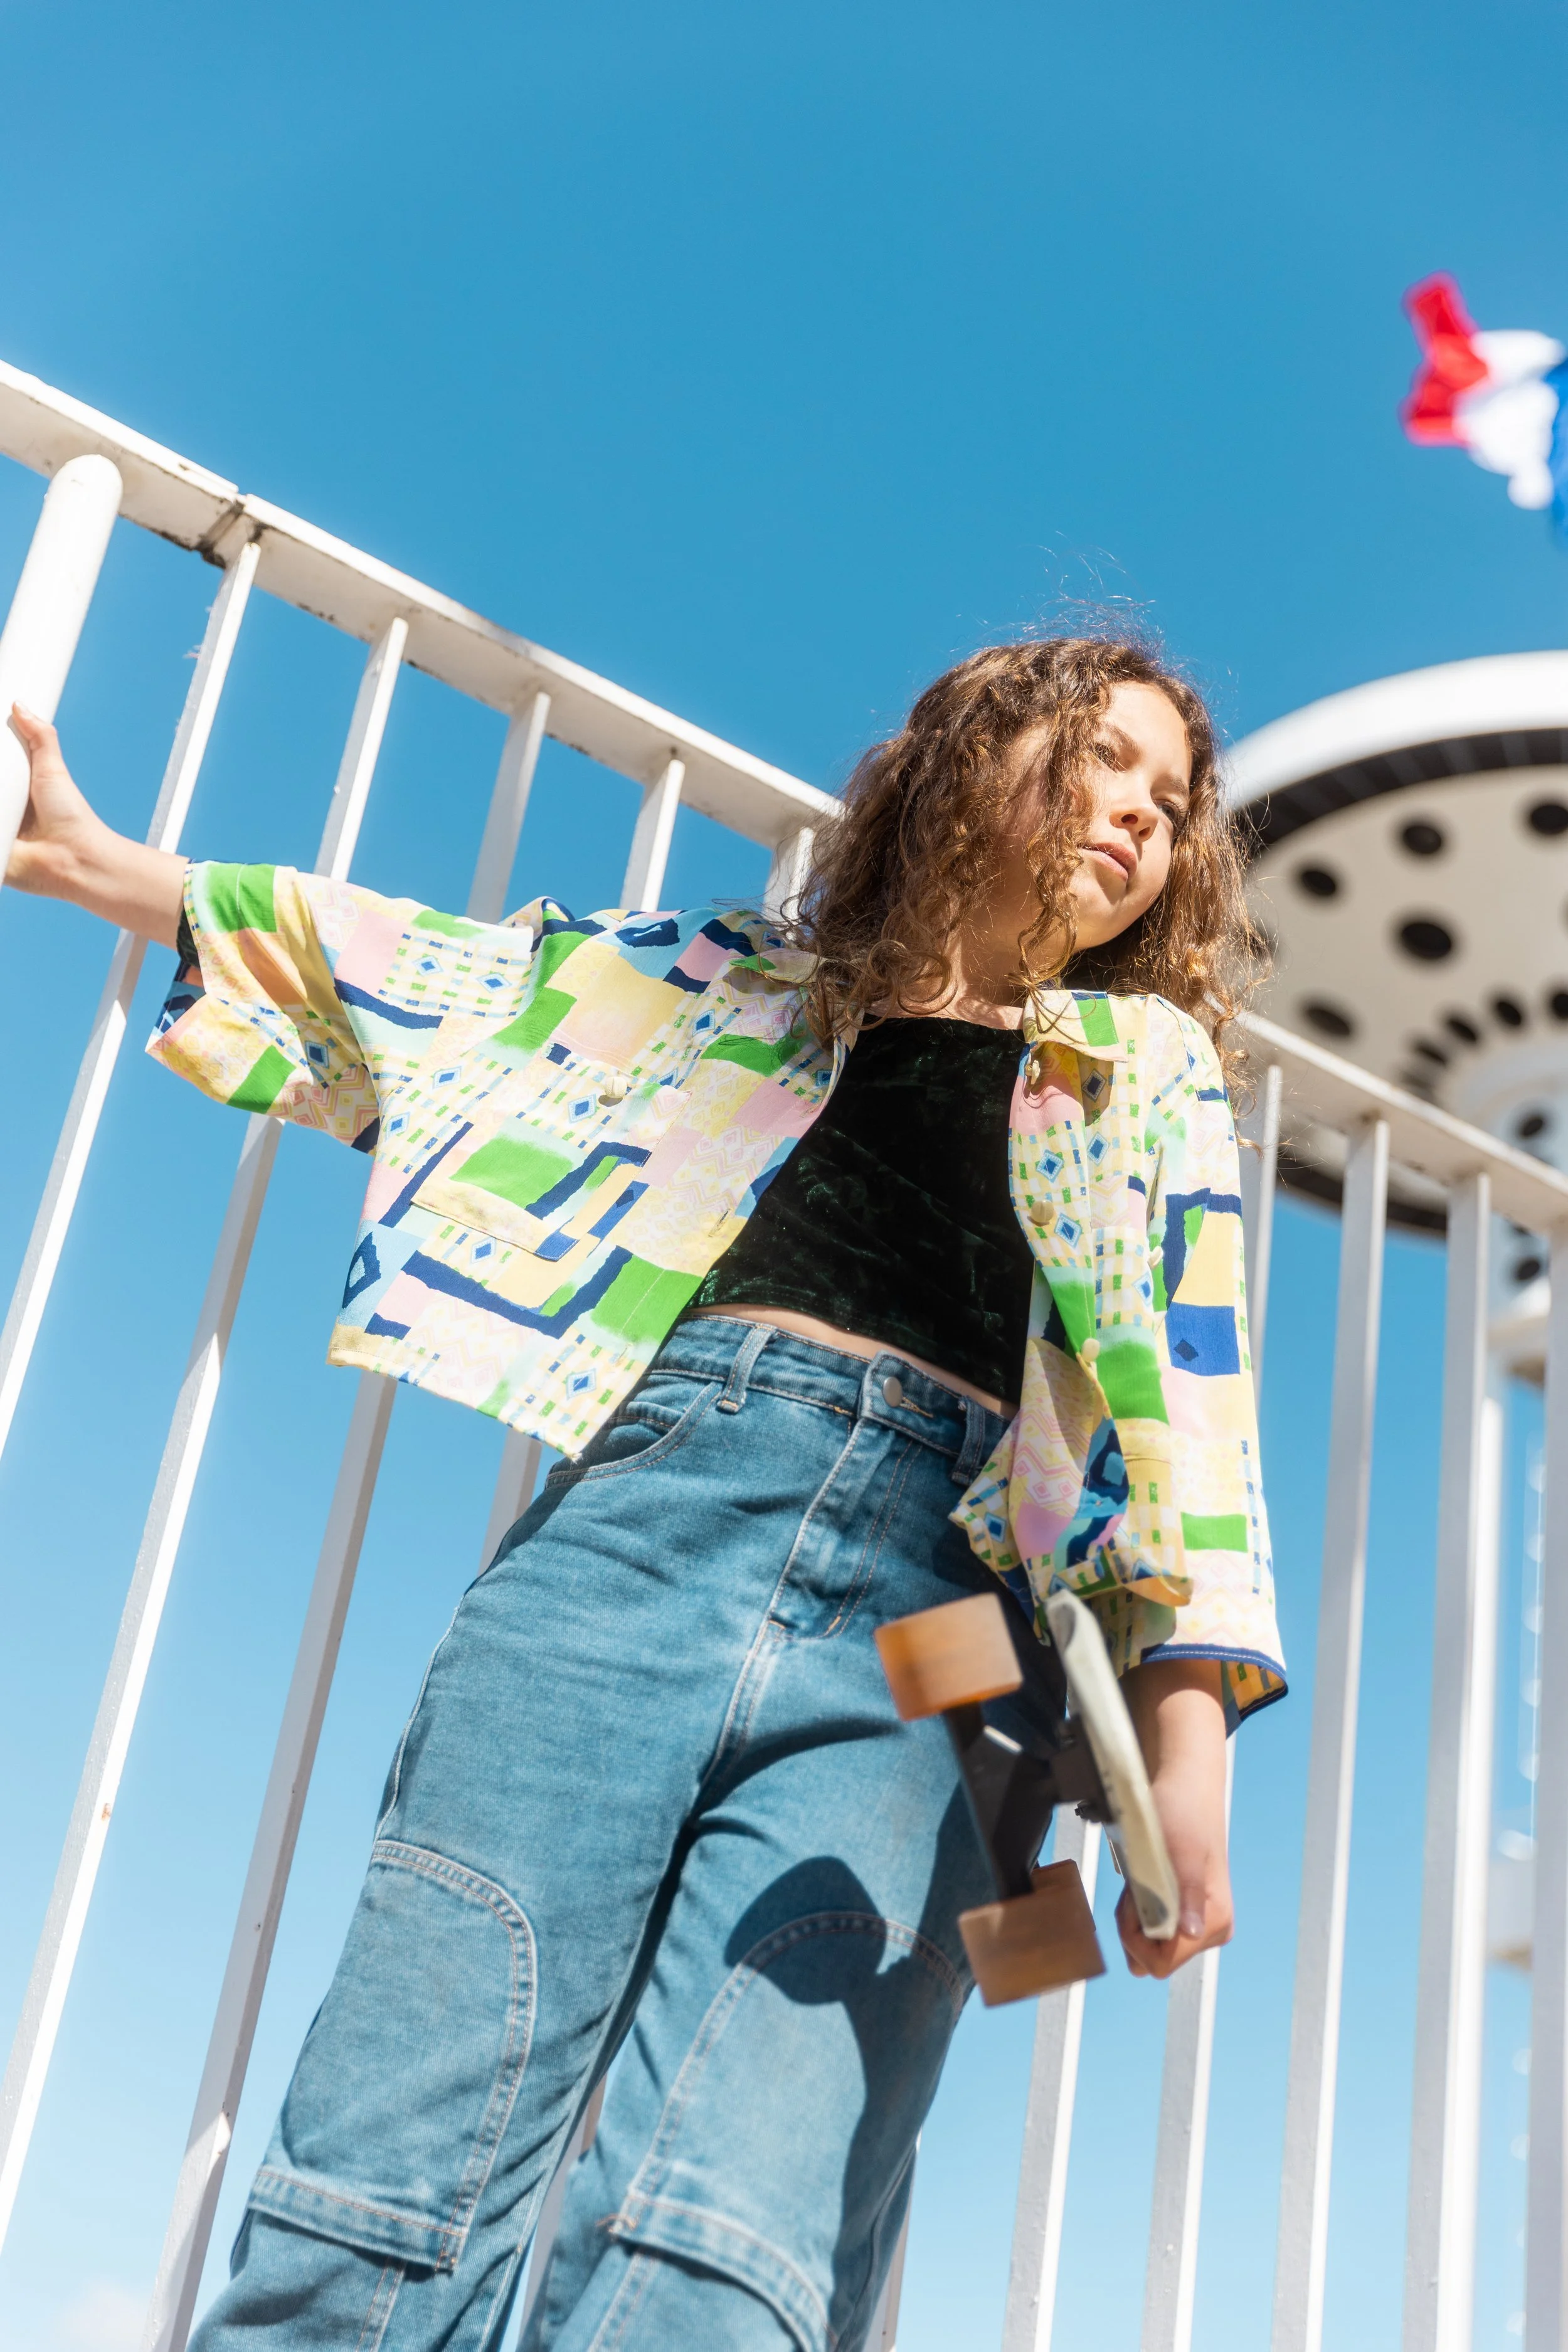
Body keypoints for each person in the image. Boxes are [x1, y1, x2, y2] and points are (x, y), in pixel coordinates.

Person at [6, 634, 1283, 2352]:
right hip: (646, 1529)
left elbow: (1179, 1377)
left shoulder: (1147, 1070)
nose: (1134, 811)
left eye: (1167, 801)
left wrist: (1184, 1712)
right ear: (969, 755)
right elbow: (435, 982)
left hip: (955, 1627)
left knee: (728, 2253)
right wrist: (83, 854)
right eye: (1097, 757)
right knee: (389, 2171)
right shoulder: (743, 984)